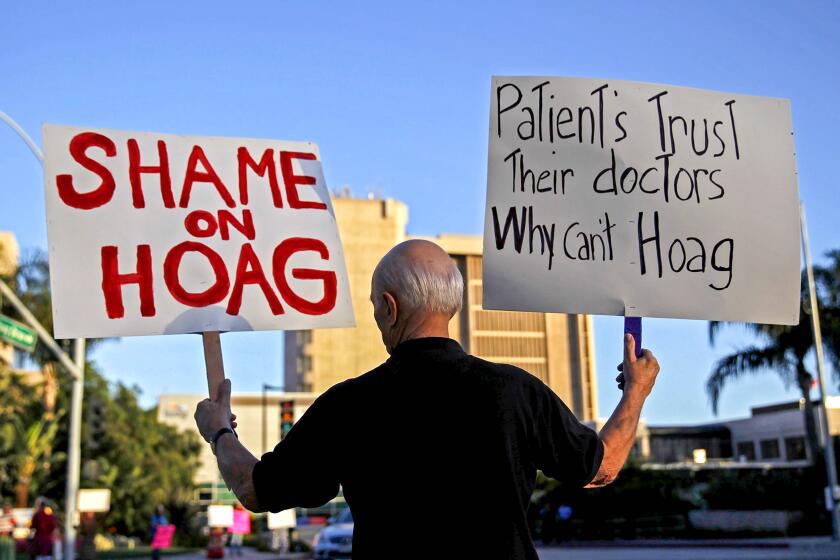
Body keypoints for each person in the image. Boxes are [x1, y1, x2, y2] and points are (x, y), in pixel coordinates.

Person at [195, 240, 660, 559]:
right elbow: (602, 467)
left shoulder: (348, 405)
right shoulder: (516, 392)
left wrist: (220, 430)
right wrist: (635, 392)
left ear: (390, 308)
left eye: (376, 304)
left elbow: (256, 488)